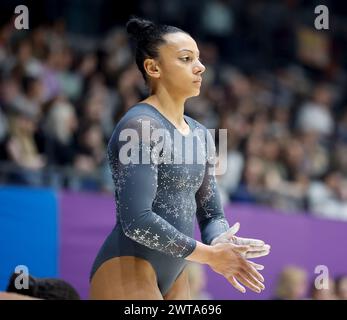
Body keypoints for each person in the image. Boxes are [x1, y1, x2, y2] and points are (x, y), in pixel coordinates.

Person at [89, 16, 270, 300]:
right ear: (153, 67)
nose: (200, 67)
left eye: (198, 58)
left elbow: (211, 213)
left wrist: (223, 241)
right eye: (186, 59)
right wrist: (210, 255)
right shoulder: (139, 126)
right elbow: (136, 220)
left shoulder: (204, 134)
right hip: (128, 265)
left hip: (177, 272)